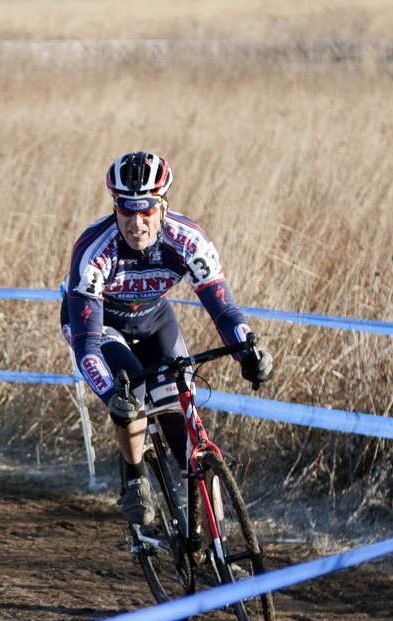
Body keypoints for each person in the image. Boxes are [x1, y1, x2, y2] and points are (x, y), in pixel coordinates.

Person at [60, 151, 273, 525]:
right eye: (126, 211)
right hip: (100, 327)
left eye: (146, 211)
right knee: (131, 401)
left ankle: (218, 553)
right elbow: (87, 348)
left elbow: (224, 311)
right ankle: (135, 477)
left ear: (162, 206)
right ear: (115, 207)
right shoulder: (94, 252)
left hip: (154, 320)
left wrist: (249, 351)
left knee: (189, 435)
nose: (136, 223)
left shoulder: (187, 241)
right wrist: (112, 396)